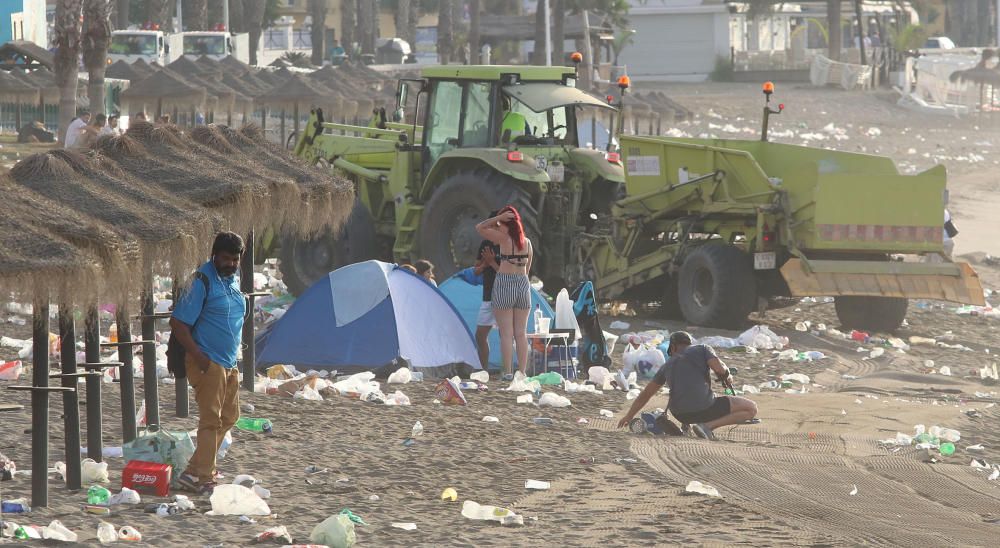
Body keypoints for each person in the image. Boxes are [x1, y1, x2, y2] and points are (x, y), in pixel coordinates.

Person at [169, 232, 247, 494]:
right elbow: (178, 323)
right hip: (207, 361)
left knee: (230, 416)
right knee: (210, 420)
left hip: (229, 362)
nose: (231, 264)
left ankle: (192, 471)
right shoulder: (202, 280)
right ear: (214, 256)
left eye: (235, 259)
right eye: (226, 259)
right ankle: (205, 478)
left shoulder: (233, 280)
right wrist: (201, 358)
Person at [617, 331, 758, 441]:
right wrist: (727, 376)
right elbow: (720, 370)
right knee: (751, 409)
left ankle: (688, 426)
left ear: (672, 347)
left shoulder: (666, 366)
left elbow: (645, 395)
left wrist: (629, 416)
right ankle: (707, 427)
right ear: (689, 344)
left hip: (680, 415)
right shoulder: (703, 349)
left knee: (694, 398)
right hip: (705, 407)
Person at [476, 206, 532, 380]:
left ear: (506, 223)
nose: (498, 226)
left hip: (505, 283)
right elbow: (528, 269)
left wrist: (496, 217)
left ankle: (507, 372)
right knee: (521, 333)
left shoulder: (503, 239)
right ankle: (522, 372)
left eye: (500, 223)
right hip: (523, 284)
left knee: (506, 333)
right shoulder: (528, 242)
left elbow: (480, 227)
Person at [474, 212, 502, 370]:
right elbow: (476, 271)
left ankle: (509, 370)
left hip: (504, 295)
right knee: (480, 335)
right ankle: (483, 370)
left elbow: (510, 275)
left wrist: (492, 262)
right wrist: (485, 264)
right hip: (488, 295)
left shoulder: (507, 244)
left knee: (505, 335)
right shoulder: (485, 244)